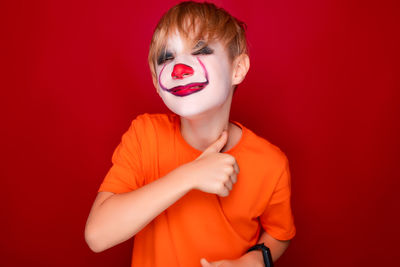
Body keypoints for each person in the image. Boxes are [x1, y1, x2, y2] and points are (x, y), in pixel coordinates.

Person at [85, 1, 295, 266]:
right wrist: (189, 175)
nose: (179, 69)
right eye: (166, 58)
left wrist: (251, 262)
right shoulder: (144, 135)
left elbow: (280, 234)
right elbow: (96, 235)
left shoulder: (271, 163)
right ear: (156, 83)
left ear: (238, 69)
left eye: (201, 49)